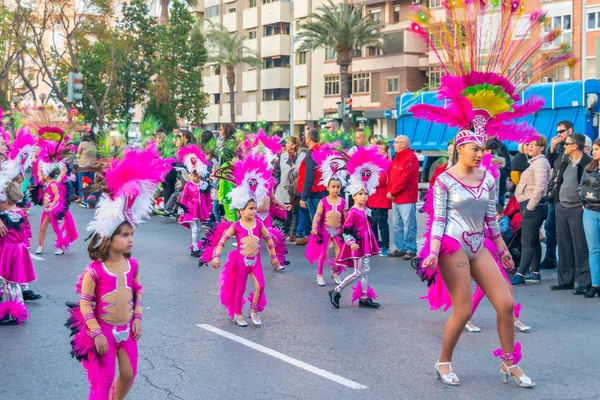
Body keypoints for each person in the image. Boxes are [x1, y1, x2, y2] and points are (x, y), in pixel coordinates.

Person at [66, 146, 171, 400]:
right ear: (108, 237)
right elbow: (85, 304)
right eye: (124, 235)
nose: (130, 239)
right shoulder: (94, 271)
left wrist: (137, 317)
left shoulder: (132, 266)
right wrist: (96, 332)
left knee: (129, 375)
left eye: (132, 234)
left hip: (127, 330)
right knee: (103, 384)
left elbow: (137, 293)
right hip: (104, 331)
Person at [201, 153, 285, 327]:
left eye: (255, 208)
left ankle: (253, 309)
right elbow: (223, 240)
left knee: (260, 286)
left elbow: (269, 239)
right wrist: (217, 256)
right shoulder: (237, 225)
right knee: (239, 289)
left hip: (255, 262)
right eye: (251, 209)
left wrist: (274, 257)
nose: (254, 211)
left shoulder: (259, 223)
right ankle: (238, 313)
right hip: (241, 262)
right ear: (241, 211)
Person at [328, 146, 390, 309]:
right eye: (360, 194)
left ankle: (363, 298)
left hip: (366, 245)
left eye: (365, 194)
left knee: (366, 272)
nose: (363, 197)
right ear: (354, 195)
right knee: (357, 272)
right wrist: (351, 242)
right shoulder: (353, 212)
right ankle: (336, 290)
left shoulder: (367, 210)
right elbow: (346, 230)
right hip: (357, 246)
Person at [551, 133, 592, 294]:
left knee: (580, 246)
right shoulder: (565, 160)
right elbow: (558, 179)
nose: (564, 146)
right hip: (562, 206)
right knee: (564, 245)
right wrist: (557, 201)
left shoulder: (587, 163)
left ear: (575, 145)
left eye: (566, 144)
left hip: (577, 208)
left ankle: (583, 281)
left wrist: (584, 204)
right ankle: (565, 280)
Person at [510, 136, 551, 286]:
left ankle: (520, 273)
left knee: (526, 241)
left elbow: (540, 187)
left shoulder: (540, 163)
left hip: (533, 207)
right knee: (533, 240)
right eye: (529, 144)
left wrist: (530, 207)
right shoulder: (536, 162)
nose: (531, 147)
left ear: (542, 147)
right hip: (533, 206)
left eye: (535, 144)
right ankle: (534, 272)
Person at [307, 145, 349, 286]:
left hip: (338, 231)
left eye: (338, 187)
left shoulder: (343, 201)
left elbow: (346, 217)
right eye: (333, 187)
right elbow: (317, 216)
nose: (335, 189)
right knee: (323, 253)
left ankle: (335, 272)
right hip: (325, 230)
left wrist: (349, 226)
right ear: (327, 187)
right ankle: (319, 275)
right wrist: (314, 228)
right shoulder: (323, 201)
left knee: (340, 254)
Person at [0, 178, 35, 325]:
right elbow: (27, 230)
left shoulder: (4, 216)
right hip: (20, 250)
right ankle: (16, 309)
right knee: (14, 282)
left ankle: (10, 311)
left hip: (8, 251)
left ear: (6, 200)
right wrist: (27, 244)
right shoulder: (21, 212)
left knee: (7, 282)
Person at [543, 120, 573, 270]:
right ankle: (550, 257)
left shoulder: (574, 146)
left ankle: (566, 261)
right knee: (549, 226)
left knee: (564, 230)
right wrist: (552, 148)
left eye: (561, 131)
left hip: (566, 194)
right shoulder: (558, 148)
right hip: (553, 193)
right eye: (557, 132)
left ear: (570, 130)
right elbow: (547, 165)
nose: (559, 135)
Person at [387, 135, 419, 260]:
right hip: (396, 196)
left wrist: (393, 191)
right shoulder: (397, 158)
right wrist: (391, 191)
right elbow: (392, 176)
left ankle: (411, 249)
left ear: (404, 144)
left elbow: (405, 179)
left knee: (408, 224)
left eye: (396, 142)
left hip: (406, 197)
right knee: (397, 224)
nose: (394, 145)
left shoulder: (411, 158)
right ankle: (400, 248)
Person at [177, 145, 210, 257]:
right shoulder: (188, 185)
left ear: (200, 176)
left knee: (199, 228)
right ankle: (195, 248)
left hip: (201, 209)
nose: (192, 177)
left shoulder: (204, 185)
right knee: (195, 229)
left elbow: (207, 198)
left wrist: (209, 209)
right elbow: (184, 198)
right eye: (191, 174)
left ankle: (195, 246)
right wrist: (182, 209)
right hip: (190, 209)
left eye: (194, 175)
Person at [579, 137, 600, 298]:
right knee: (593, 249)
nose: (593, 152)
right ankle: (595, 284)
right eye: (593, 149)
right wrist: (584, 201)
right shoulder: (589, 167)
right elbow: (580, 187)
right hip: (590, 211)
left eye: (597, 149)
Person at [367, 139, 392, 256]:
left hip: (382, 197)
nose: (379, 151)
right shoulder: (372, 162)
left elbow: (382, 180)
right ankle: (375, 245)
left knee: (382, 223)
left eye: (381, 149)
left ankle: (385, 247)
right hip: (372, 197)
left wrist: (371, 179)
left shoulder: (387, 163)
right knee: (372, 224)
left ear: (385, 151)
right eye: (377, 149)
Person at [299, 128, 327, 222]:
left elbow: (309, 176)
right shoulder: (321, 151)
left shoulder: (312, 154)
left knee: (316, 222)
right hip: (321, 190)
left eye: (306, 137)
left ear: (309, 138)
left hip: (314, 192)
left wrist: (303, 197)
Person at [276, 137, 299, 240]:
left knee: (294, 211)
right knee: (284, 211)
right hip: (283, 188)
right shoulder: (282, 157)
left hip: (295, 189)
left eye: (289, 143)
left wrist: (295, 169)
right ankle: (283, 232)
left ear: (294, 145)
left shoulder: (299, 157)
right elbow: (277, 172)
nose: (286, 144)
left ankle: (292, 233)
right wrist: (276, 183)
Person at [486, 135, 512, 206]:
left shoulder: (501, 146)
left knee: (497, 213)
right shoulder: (480, 144)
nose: (487, 134)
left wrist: (497, 179)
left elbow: (507, 167)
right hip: (484, 192)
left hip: (499, 189)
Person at [75, 134, 97, 206]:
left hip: (83, 164)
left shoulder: (83, 143)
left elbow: (78, 154)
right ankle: (91, 198)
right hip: (92, 165)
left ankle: (84, 199)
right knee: (91, 182)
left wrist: (78, 160)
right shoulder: (95, 144)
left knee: (83, 182)